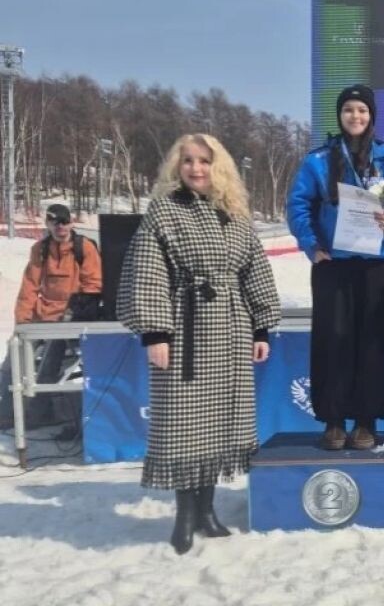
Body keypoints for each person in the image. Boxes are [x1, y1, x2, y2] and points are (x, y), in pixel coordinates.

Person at [117, 134, 281, 555]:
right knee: (184, 424)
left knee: (220, 423)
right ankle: (185, 516)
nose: (196, 168)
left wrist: (261, 328)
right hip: (184, 327)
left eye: (204, 161)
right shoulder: (164, 211)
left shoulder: (235, 213)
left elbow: (255, 270)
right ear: (177, 165)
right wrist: (156, 332)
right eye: (188, 160)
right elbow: (148, 271)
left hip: (231, 327)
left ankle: (207, 512)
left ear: (218, 166)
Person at [287, 84, 384, 451]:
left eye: (362, 110)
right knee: (333, 341)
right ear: (340, 115)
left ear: (371, 115)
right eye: (348, 110)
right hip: (334, 264)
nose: (355, 116)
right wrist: (312, 246)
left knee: (372, 343)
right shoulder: (318, 160)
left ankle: (365, 422)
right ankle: (333, 421)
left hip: (378, 265)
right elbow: (298, 205)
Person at [0, 203, 102, 432]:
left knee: (49, 359)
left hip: (70, 318)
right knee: (13, 357)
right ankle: (6, 412)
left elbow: (93, 284)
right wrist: (22, 324)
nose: (60, 227)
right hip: (43, 315)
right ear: (47, 224)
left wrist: (74, 312)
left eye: (64, 221)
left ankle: (39, 413)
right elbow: (29, 287)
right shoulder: (40, 249)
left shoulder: (84, 248)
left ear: (71, 223)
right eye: (54, 222)